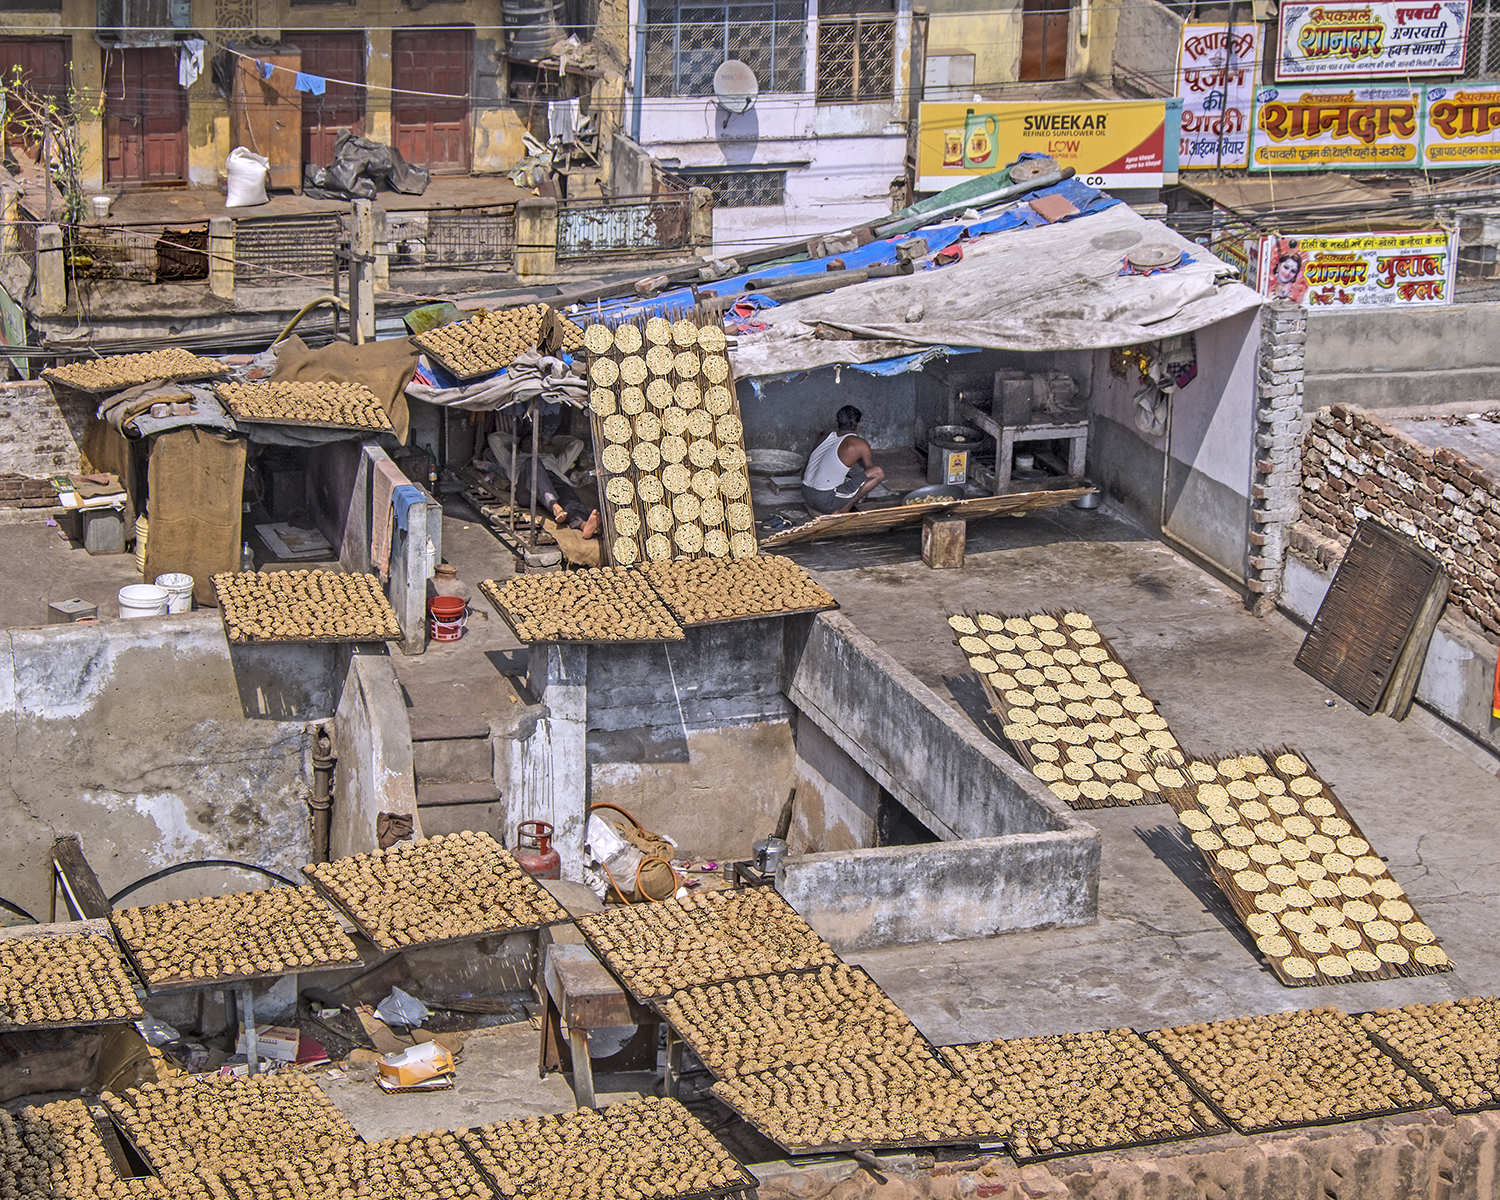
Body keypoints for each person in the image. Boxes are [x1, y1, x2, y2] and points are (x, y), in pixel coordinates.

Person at [800, 405, 886, 515]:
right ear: (859, 424)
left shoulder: (824, 437)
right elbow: (869, 470)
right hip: (825, 502)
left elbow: (804, 472)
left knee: (844, 476)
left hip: (805, 493)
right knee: (878, 472)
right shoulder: (859, 444)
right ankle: (844, 508)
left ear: (837, 421)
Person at [512, 453, 600, 538]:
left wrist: (552, 443)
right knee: (532, 462)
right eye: (527, 441)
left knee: (567, 494)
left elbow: (577, 444)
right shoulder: (516, 457)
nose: (532, 443)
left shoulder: (550, 457)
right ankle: (554, 505)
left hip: (551, 484)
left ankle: (583, 525)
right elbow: (498, 444)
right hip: (526, 491)